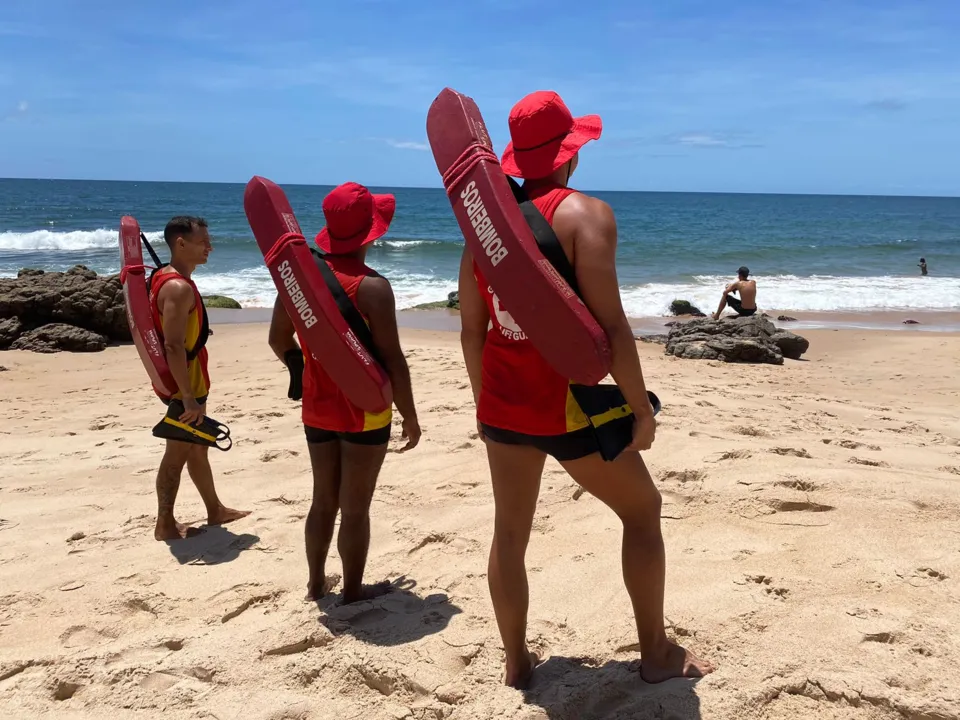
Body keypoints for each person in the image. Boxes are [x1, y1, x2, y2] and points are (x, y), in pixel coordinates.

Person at [458, 90, 714, 688]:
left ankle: (517, 664)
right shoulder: (585, 215)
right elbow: (612, 327)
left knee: (509, 533)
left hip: (503, 400)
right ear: (571, 154)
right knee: (643, 511)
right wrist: (638, 411)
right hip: (569, 406)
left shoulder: (484, 231)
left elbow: (473, 330)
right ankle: (655, 656)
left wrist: (485, 403)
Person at [268, 182, 422, 604]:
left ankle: (316, 584)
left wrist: (302, 372)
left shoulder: (297, 284)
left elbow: (278, 339)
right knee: (354, 508)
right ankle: (353, 591)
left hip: (317, 408)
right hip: (367, 409)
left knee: (322, 502)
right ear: (372, 233)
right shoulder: (372, 287)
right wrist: (409, 414)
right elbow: (392, 358)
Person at [150, 216, 249, 541]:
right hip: (186, 386)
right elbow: (173, 345)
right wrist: (188, 396)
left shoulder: (168, 277)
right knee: (176, 453)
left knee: (197, 448)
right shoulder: (177, 287)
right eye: (203, 241)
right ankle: (164, 524)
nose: (210, 246)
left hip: (190, 382)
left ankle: (214, 509)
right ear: (181, 243)